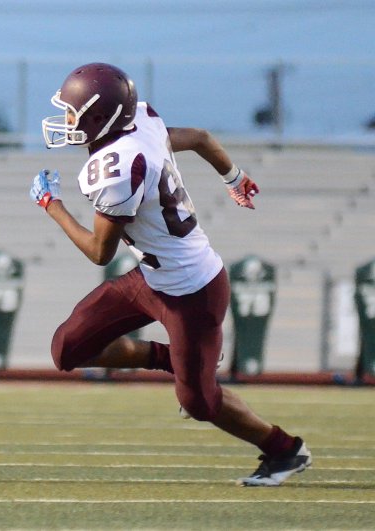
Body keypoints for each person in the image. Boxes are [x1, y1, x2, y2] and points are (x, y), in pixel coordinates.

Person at [30, 62, 311, 487]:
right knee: (68, 349)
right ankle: (170, 359)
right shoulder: (140, 124)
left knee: (199, 402)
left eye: (73, 113)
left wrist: (52, 205)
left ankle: (285, 450)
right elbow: (199, 138)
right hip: (150, 277)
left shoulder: (116, 167)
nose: (66, 121)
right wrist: (234, 177)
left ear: (100, 117)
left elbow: (100, 252)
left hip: (193, 290)